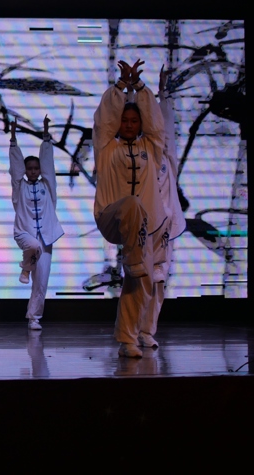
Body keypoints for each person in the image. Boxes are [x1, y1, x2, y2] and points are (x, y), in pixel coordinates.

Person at [92, 59, 167, 359]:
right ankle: (133, 262)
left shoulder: (151, 148)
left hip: (142, 230)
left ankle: (128, 340)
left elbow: (157, 125)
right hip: (112, 217)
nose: (129, 125)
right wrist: (122, 86)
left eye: (134, 121)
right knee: (133, 203)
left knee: (141, 282)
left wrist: (142, 88)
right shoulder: (106, 148)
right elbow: (103, 121)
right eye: (124, 120)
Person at [138, 67, 187, 349]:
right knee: (139, 281)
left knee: (159, 281)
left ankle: (147, 331)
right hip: (142, 228)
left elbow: (167, 127)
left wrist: (163, 94)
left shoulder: (167, 158)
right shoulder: (138, 154)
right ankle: (132, 331)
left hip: (165, 227)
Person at [9, 114, 64, 331]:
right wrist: (13, 138)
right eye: (29, 168)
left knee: (41, 281)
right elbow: (15, 168)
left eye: (35, 168)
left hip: (46, 236)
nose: (32, 171)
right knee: (33, 246)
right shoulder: (19, 187)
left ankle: (34, 317)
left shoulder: (47, 187)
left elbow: (49, 165)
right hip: (25, 233)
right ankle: (25, 268)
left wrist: (46, 135)